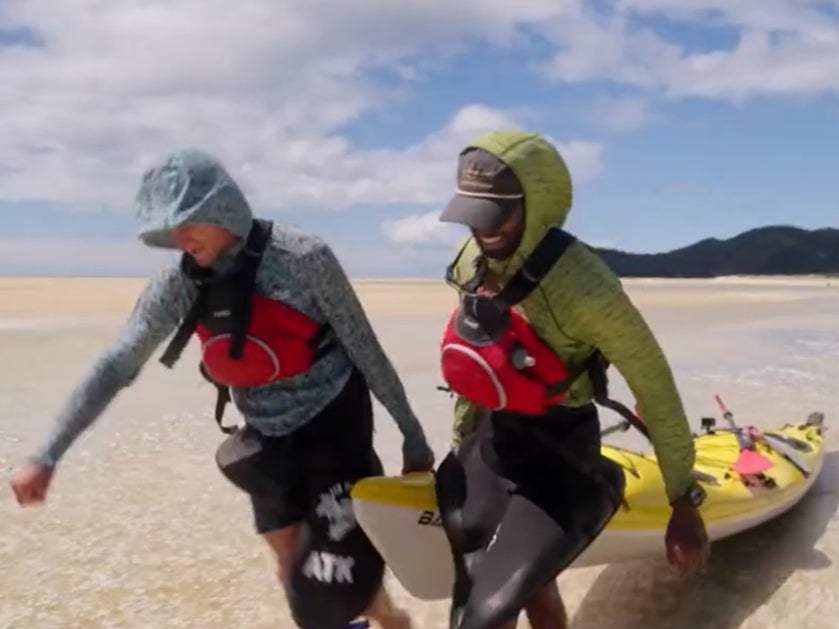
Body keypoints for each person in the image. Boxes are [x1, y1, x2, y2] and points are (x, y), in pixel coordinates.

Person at [8, 148, 435, 629]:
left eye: (188, 218)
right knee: (293, 570)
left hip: (333, 427)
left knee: (339, 577)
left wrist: (412, 434)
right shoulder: (181, 282)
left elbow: (365, 348)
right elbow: (116, 364)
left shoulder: (303, 258)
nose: (178, 235)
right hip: (264, 437)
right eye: (167, 225)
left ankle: (389, 618)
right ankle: (377, 617)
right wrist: (48, 453)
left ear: (222, 207)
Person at [433, 130, 710, 629]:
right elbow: (475, 355)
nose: (483, 232)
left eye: (497, 217)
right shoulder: (470, 263)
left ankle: (602, 486)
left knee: (482, 618)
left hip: (563, 458)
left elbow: (655, 385)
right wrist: (460, 442)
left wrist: (681, 500)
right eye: (474, 217)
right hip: (496, 441)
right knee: (492, 586)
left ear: (536, 204)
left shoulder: (586, 287)